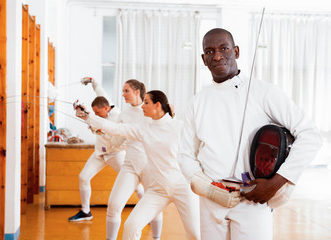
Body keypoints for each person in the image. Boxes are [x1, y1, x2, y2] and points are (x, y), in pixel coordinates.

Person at [177, 28, 323, 240]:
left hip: (253, 199)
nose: (217, 56)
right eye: (209, 51)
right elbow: (184, 154)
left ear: (236, 51)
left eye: (224, 48)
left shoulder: (263, 92)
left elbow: (310, 135)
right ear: (203, 58)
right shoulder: (197, 101)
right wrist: (208, 189)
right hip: (211, 201)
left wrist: (276, 183)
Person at [76, 90, 200, 240]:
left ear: (158, 105)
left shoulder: (179, 126)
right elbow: (116, 129)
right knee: (130, 227)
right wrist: (89, 117)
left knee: (195, 234)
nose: (142, 106)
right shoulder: (144, 129)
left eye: (146, 102)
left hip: (183, 187)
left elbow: (199, 147)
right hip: (158, 189)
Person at [68, 79, 135, 221]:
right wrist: (92, 81)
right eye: (94, 113)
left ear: (106, 109)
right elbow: (99, 89)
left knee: (132, 181)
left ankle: (147, 210)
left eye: (97, 113)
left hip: (115, 154)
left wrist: (98, 130)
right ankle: (86, 212)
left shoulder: (119, 117)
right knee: (83, 177)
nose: (95, 115)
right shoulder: (104, 102)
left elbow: (123, 140)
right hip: (99, 153)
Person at [106, 79, 163, 240]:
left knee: (155, 207)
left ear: (137, 92)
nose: (123, 94)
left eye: (126, 91)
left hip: (150, 166)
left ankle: (156, 238)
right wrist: (103, 133)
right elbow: (117, 141)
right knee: (114, 205)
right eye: (123, 91)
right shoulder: (123, 114)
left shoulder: (150, 111)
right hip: (129, 165)